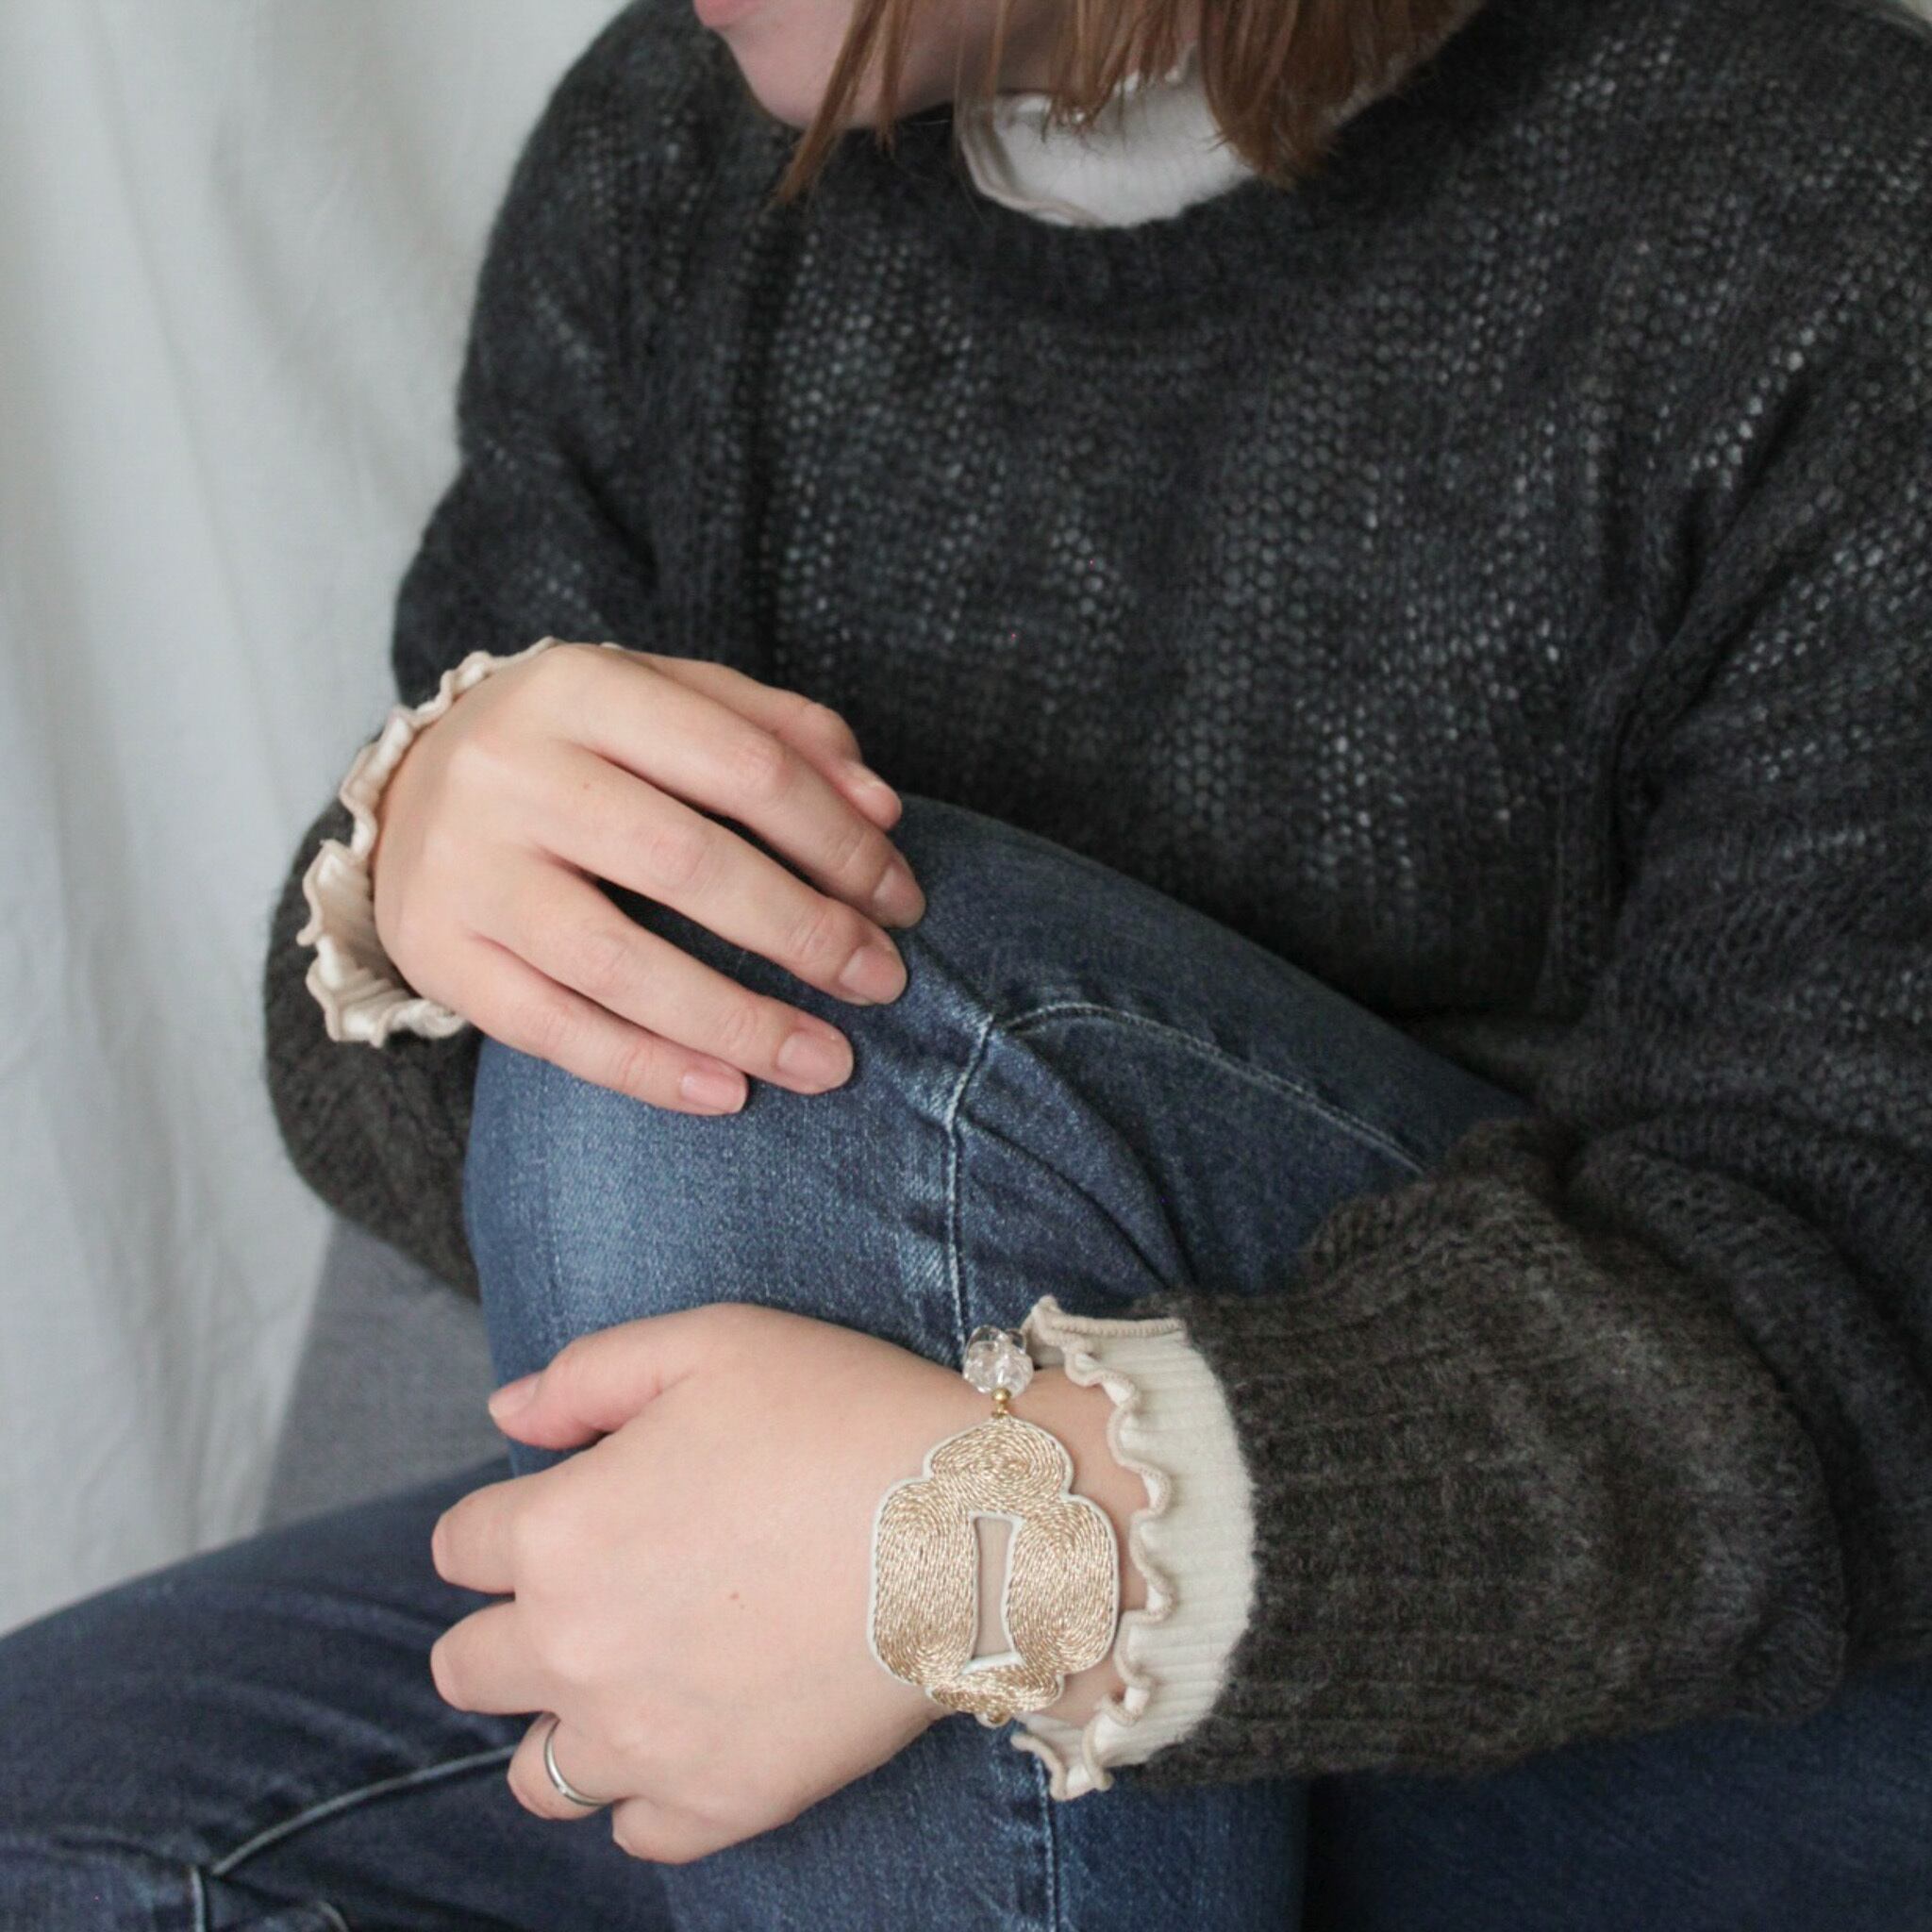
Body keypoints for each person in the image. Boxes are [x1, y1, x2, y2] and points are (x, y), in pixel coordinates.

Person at [3, 0, 1930, 1924]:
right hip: (867, 1640)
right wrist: (428, 869)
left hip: (1662, 1694)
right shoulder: (673, 150)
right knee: (65, 1826)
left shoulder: (1820, 209)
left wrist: (1019, 1542)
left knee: (791, 1019)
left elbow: (1861, 1340)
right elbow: (529, 1172)